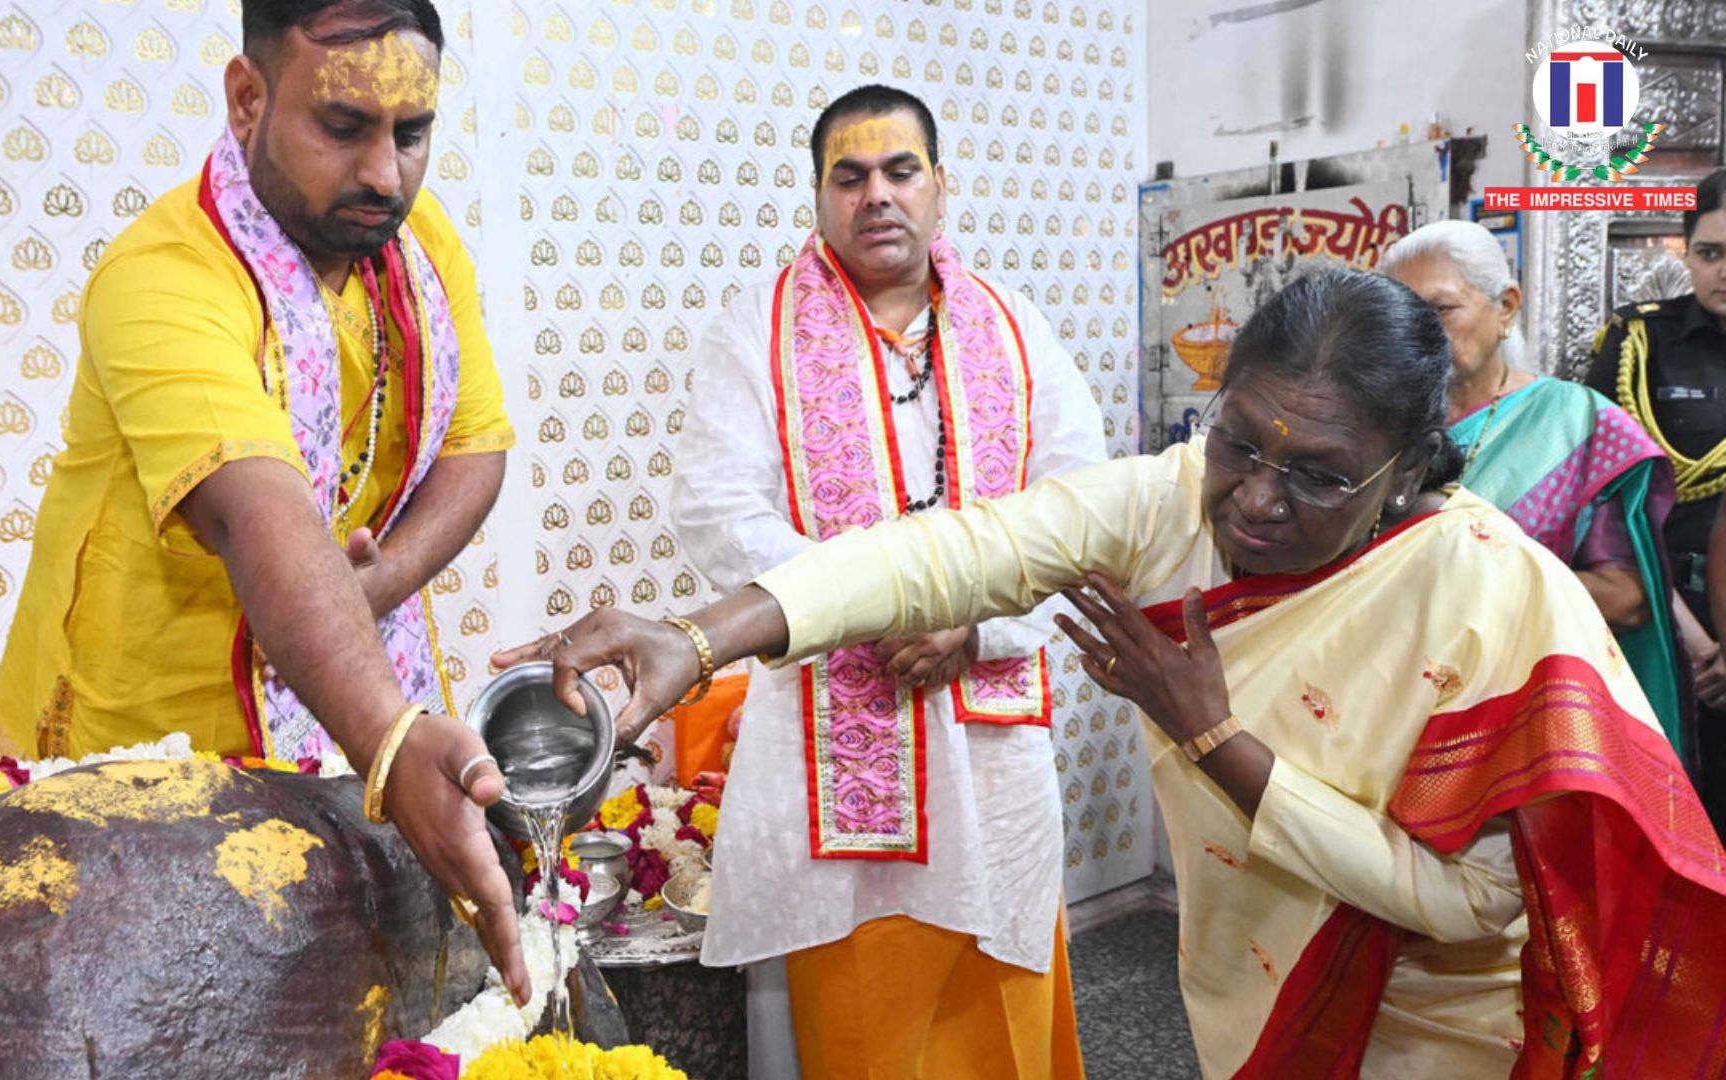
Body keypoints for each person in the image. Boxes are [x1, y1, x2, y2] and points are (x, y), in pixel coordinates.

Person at [502, 269, 1726, 1078]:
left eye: (1315, 476)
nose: (1254, 499)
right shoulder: (1171, 499)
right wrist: (705, 636)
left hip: (1432, 1026)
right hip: (1244, 980)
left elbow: (1475, 906)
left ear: (1407, 469)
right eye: (1238, 441)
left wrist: (1218, 742)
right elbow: (961, 550)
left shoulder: (1492, 591)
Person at [0, 0, 527, 1001]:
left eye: (412, 134)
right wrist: (395, 742)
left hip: (334, 708)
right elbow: (255, 514)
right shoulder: (163, 277)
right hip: (142, 762)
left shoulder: (414, 240)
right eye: (343, 126)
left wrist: (378, 582)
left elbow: (475, 448)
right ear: (247, 98)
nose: (384, 174)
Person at [666, 84, 1102, 1079]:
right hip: (834, 717)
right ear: (819, 198)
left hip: (990, 732)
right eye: (849, 176)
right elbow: (714, 508)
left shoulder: (1012, 326)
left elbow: (1077, 509)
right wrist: (871, 607)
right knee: (857, 1018)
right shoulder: (759, 327)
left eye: (900, 171)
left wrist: (973, 626)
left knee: (1004, 996)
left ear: (939, 188)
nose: (877, 195)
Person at [1381, 221, 1694, 772]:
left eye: (1440, 310)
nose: (1418, 335)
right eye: (1401, 317)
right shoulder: (1372, 428)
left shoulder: (1578, 424)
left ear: (1506, 306)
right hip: (1385, 707)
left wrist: (1461, 592)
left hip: (1526, 725)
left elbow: (1626, 597)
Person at [1585, 167, 1726, 822]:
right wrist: (1696, 646)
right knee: (1666, 817)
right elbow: (1609, 506)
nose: (1724, 271)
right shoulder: (1638, 343)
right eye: (1710, 253)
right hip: (1660, 620)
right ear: (1686, 250)